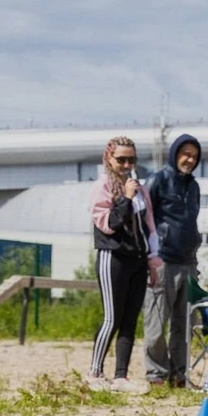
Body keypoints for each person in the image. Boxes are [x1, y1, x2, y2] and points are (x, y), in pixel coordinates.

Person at [88, 136, 163, 394]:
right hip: (113, 256)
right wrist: (126, 199)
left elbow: (149, 226)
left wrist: (153, 260)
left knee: (130, 319)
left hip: (138, 259)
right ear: (109, 159)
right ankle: (94, 372)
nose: (127, 164)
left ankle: (121, 375)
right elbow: (109, 223)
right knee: (112, 317)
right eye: (121, 159)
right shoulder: (103, 187)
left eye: (131, 159)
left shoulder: (141, 190)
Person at [143, 134, 202, 388]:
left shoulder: (194, 186)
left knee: (184, 323)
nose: (189, 159)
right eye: (185, 153)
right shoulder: (158, 180)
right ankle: (156, 374)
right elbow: (144, 220)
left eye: (194, 155)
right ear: (175, 153)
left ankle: (179, 374)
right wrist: (149, 258)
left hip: (188, 261)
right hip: (163, 261)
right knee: (156, 320)